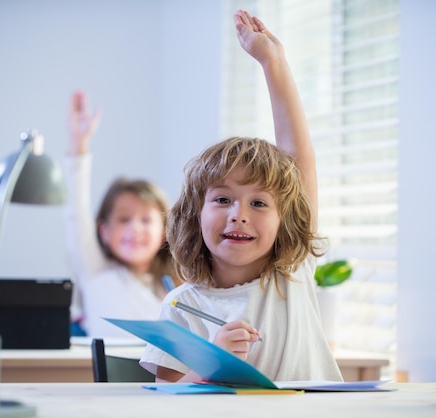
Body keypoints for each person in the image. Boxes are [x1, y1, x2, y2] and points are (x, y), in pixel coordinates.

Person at [140, 10, 343, 382]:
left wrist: (273, 62)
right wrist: (212, 364)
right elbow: (168, 402)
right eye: (222, 200)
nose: (239, 214)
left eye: (259, 203)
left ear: (286, 219)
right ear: (194, 214)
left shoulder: (291, 276)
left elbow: (301, 160)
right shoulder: (181, 306)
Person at [63, 91, 179, 338]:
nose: (135, 228)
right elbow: (76, 214)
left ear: (164, 231)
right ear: (104, 231)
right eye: (124, 219)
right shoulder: (96, 272)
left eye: (146, 220)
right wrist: (79, 146)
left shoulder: (176, 288)